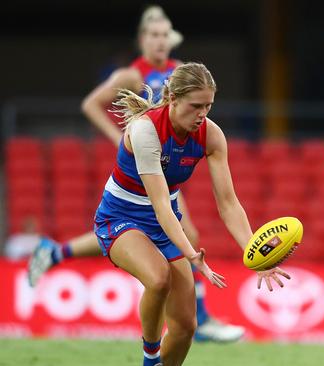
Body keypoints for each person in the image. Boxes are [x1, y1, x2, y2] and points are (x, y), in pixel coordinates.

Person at [27, 5, 246, 343]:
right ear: (142, 39)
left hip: (167, 175)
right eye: (153, 35)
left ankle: (56, 253)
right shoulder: (133, 74)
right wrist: (121, 137)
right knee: (178, 235)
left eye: (165, 35)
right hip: (142, 170)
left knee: (185, 234)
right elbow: (90, 104)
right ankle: (199, 319)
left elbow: (227, 201)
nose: (160, 42)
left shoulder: (183, 75)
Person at [97, 62, 290, 366]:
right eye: (195, 106)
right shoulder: (145, 130)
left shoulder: (211, 135)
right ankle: (150, 357)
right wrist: (191, 254)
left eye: (209, 106)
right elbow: (160, 203)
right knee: (159, 279)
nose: (202, 114)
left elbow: (228, 204)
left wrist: (257, 254)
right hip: (121, 218)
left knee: (186, 327)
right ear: (173, 98)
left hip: (164, 222)